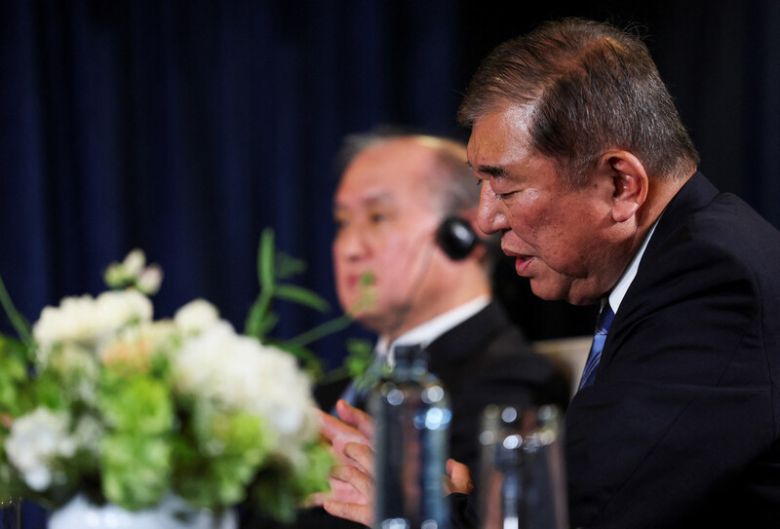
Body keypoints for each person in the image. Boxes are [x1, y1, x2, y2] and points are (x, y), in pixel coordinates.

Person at [317, 18, 780, 529]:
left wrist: (431, 512)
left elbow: (574, 512)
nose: (485, 221)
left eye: (506, 189)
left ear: (621, 185)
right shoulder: (673, 265)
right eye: (480, 185)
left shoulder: (712, 281)